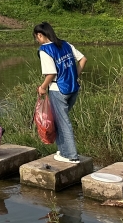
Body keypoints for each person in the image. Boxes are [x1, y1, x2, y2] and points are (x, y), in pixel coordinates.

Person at [34, 22, 87, 164]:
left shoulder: (45, 50)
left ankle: (71, 155)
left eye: (36, 38)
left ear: (40, 35)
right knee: (59, 120)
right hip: (73, 89)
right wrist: (75, 75)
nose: (37, 41)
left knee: (63, 122)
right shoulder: (65, 44)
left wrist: (43, 87)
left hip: (59, 90)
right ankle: (64, 151)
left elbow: (51, 73)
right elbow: (83, 59)